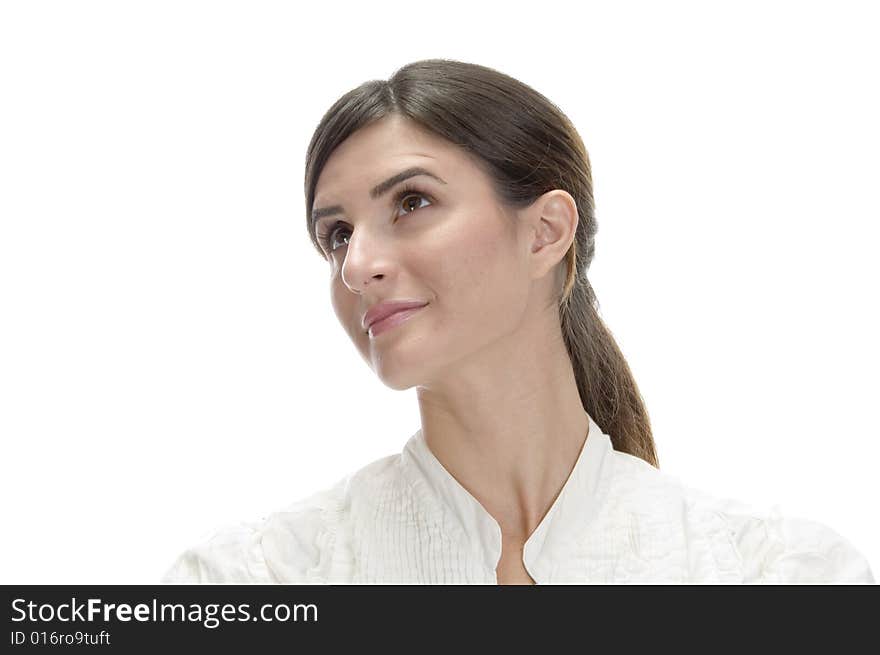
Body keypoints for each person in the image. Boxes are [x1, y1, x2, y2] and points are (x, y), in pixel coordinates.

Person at [161, 59, 874, 584]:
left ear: (545, 232)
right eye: (338, 234)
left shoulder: (774, 575)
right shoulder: (253, 582)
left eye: (410, 202)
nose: (358, 265)